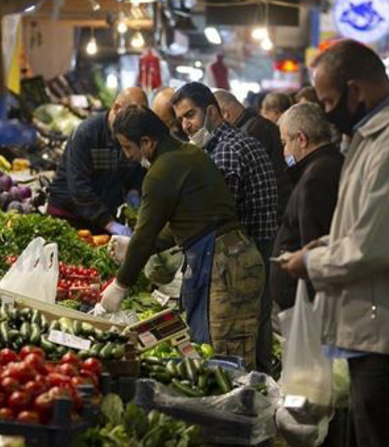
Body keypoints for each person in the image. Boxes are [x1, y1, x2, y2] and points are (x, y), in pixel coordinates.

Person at [281, 40, 389, 447]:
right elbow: (374, 222)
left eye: (328, 101)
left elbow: (378, 245)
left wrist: (312, 264)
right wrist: (324, 245)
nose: (325, 112)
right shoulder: (383, 133)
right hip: (386, 330)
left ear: (356, 90)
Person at [99, 105, 264, 368]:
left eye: (128, 147)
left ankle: (231, 408)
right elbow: (181, 223)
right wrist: (138, 247)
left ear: (146, 142)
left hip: (221, 266)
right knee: (220, 353)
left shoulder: (161, 172)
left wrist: (120, 285)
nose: (127, 156)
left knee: (222, 361)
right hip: (234, 258)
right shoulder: (188, 154)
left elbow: (146, 232)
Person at [172, 82, 278, 373]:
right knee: (255, 334)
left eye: (190, 115)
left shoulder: (226, 150)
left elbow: (212, 216)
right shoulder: (228, 143)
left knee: (236, 343)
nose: (186, 125)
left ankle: (246, 403)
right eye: (181, 119)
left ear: (210, 111)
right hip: (252, 255)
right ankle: (261, 395)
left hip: (243, 256)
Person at [271, 102, 343, 310]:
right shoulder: (330, 163)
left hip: (306, 304)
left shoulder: (316, 177)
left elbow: (314, 243)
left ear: (301, 139)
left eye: (285, 142)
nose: (284, 151)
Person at [47, 87, 147, 236]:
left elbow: (136, 170)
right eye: (129, 118)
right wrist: (109, 223)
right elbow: (79, 187)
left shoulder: (130, 135)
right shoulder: (86, 133)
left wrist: (134, 191)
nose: (133, 125)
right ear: (116, 108)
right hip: (68, 216)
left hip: (100, 219)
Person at [214, 89, 292, 223]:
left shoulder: (250, 133)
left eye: (213, 119)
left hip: (271, 216)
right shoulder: (257, 125)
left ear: (225, 114)